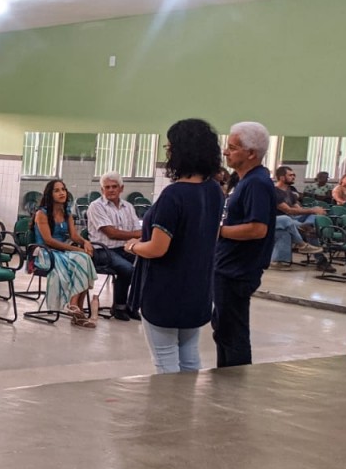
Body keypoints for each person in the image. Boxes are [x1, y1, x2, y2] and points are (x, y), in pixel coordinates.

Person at [126, 119, 224, 374]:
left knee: (165, 359)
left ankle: (170, 403)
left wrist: (134, 246)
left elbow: (157, 249)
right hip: (198, 287)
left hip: (166, 289)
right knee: (190, 357)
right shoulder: (214, 190)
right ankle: (188, 400)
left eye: (169, 146)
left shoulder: (174, 195)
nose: (167, 151)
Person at [214, 122, 278, 368]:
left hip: (238, 270)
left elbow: (257, 229)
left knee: (233, 333)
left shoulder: (256, 183)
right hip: (228, 266)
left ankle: (236, 382)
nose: (226, 152)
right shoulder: (244, 180)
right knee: (223, 329)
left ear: (251, 153)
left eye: (232, 147)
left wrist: (218, 231)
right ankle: (225, 377)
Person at [32, 179, 97, 327]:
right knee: (81, 258)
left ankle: (75, 307)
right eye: (57, 190)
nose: (62, 193)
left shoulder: (67, 213)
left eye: (63, 189)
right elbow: (48, 240)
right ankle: (76, 310)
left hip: (62, 252)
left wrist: (85, 242)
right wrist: (76, 249)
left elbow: (74, 236)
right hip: (45, 253)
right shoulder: (41, 214)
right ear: (50, 194)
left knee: (84, 258)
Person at [84, 172, 141, 320]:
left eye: (114, 186)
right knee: (127, 269)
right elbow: (111, 233)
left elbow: (138, 231)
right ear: (102, 190)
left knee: (145, 267)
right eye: (107, 187)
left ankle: (132, 306)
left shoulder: (128, 207)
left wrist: (137, 235)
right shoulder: (96, 206)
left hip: (125, 248)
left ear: (121, 188)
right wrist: (137, 234)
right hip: (102, 250)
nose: (110, 190)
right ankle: (119, 308)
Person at [270, 166, 324, 269]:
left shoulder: (289, 192)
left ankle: (305, 227)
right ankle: (304, 245)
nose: (293, 177)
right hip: (277, 221)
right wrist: (312, 209)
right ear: (282, 177)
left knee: (311, 217)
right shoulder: (274, 192)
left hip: (291, 220)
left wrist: (313, 211)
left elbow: (298, 210)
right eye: (290, 175)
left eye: (294, 175)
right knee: (286, 224)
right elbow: (288, 210)